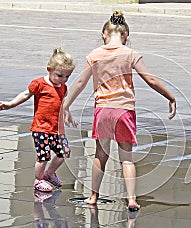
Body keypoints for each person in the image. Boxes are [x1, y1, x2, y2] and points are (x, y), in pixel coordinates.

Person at [63, 11, 176, 211]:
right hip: (124, 111)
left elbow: (80, 82)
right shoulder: (130, 54)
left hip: (103, 111)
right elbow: (150, 79)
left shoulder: (95, 55)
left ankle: (93, 195)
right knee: (127, 158)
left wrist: (66, 105)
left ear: (104, 33)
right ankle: (132, 199)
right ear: (126, 36)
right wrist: (170, 96)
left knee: (100, 154)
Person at [0, 47, 77, 192]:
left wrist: (68, 115)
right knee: (43, 157)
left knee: (64, 152)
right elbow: (25, 94)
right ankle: (38, 180)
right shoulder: (39, 84)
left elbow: (64, 104)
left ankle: (49, 173)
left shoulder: (63, 87)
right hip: (41, 128)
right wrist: (10, 104)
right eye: (60, 75)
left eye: (67, 77)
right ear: (49, 69)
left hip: (56, 129)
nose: (63, 80)